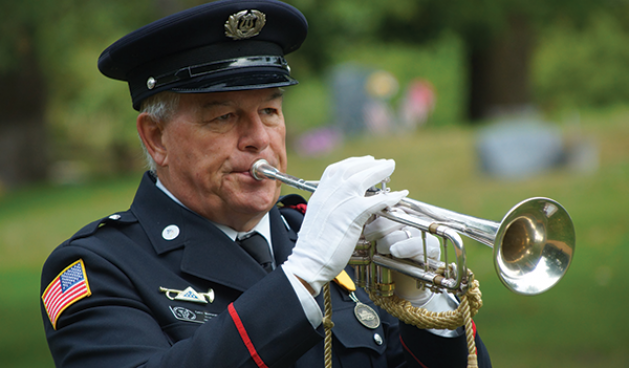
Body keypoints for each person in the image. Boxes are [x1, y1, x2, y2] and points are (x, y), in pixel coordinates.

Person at [40, 1, 491, 367]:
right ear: (156, 138)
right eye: (224, 117)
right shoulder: (98, 268)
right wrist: (300, 278)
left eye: (270, 112)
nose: (259, 139)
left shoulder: (324, 239)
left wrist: (428, 312)